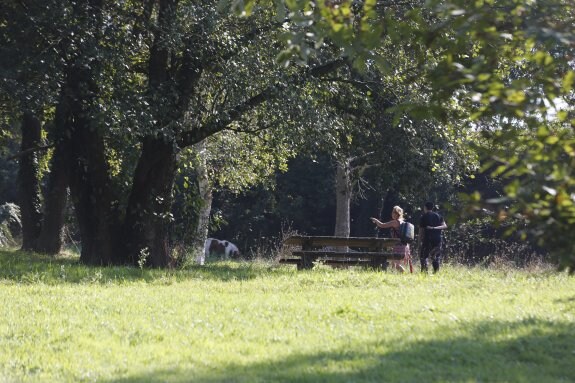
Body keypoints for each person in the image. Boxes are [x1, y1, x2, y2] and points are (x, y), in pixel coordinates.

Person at [370, 206, 412, 273]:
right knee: (393, 263)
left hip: (398, 245)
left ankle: (405, 275)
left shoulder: (395, 222)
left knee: (397, 265)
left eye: (393, 212)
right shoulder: (402, 222)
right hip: (404, 245)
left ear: (396, 214)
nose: (392, 214)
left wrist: (375, 220)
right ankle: (394, 276)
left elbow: (382, 225)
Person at [418, 201, 447, 273]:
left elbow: (421, 230)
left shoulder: (423, 217)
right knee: (435, 255)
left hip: (427, 238)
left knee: (423, 256)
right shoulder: (439, 216)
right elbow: (444, 226)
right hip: (437, 239)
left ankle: (424, 272)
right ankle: (436, 272)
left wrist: (419, 241)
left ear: (425, 208)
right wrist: (435, 228)